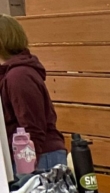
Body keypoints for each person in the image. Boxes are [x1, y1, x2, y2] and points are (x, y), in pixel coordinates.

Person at [0, 16, 64, 172]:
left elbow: (32, 128)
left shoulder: (19, 76)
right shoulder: (11, 75)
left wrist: (26, 171)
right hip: (26, 157)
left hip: (39, 158)